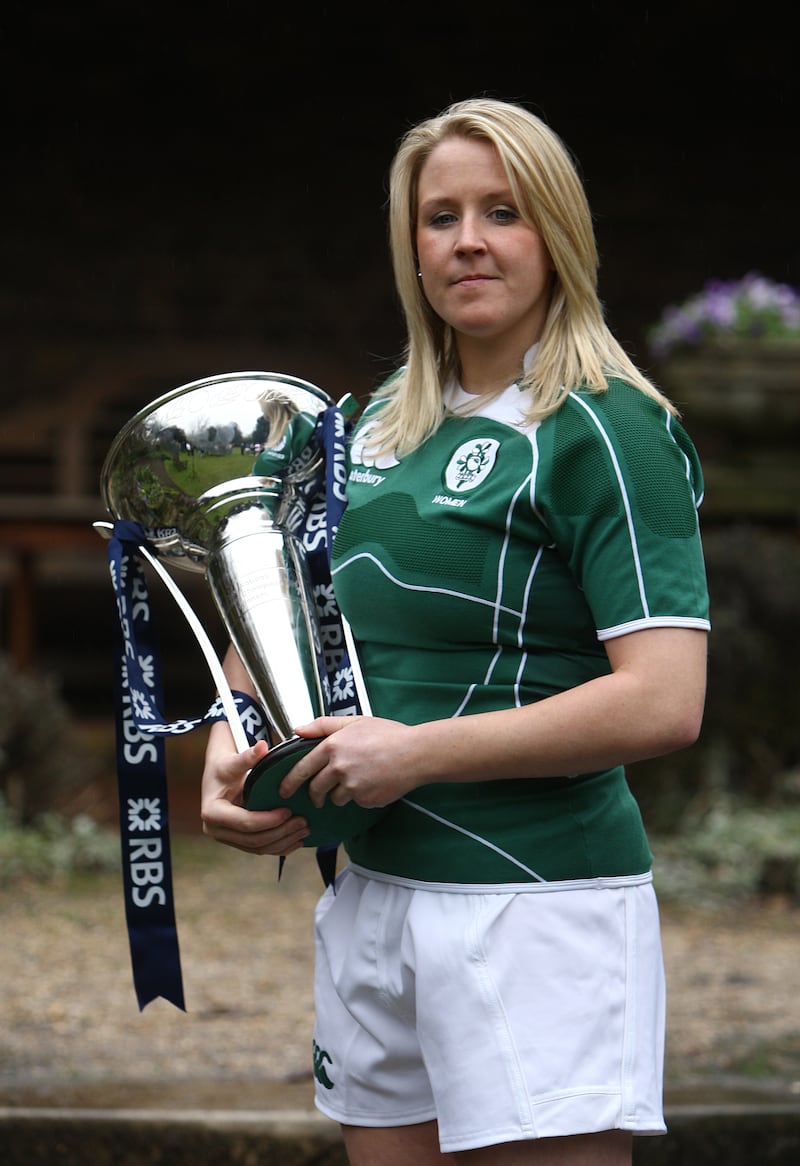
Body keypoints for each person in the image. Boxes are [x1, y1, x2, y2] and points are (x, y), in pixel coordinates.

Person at [201, 97, 710, 1166]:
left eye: (502, 211)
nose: (467, 239)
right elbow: (289, 611)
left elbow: (663, 699)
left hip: (531, 901)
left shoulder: (610, 426)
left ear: (556, 236)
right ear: (411, 249)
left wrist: (414, 753)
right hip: (374, 893)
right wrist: (227, 735)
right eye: (439, 217)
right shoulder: (378, 420)